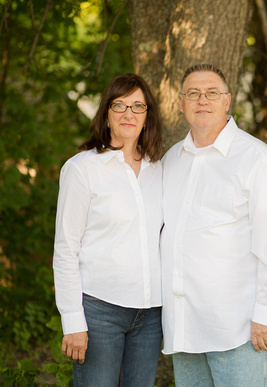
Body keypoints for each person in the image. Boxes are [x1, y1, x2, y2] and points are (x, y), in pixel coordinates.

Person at [160, 64, 267, 386]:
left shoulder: (255, 158)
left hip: (239, 328)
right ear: (181, 103)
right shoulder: (171, 160)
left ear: (227, 101)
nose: (202, 100)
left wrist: (266, 314)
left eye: (212, 93)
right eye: (193, 93)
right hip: (186, 327)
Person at [53, 73, 164, 386]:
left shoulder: (160, 168)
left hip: (150, 313)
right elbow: (66, 249)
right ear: (106, 114)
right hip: (100, 310)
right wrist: (72, 319)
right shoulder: (81, 169)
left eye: (137, 106)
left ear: (147, 116)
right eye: (120, 105)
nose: (129, 113)